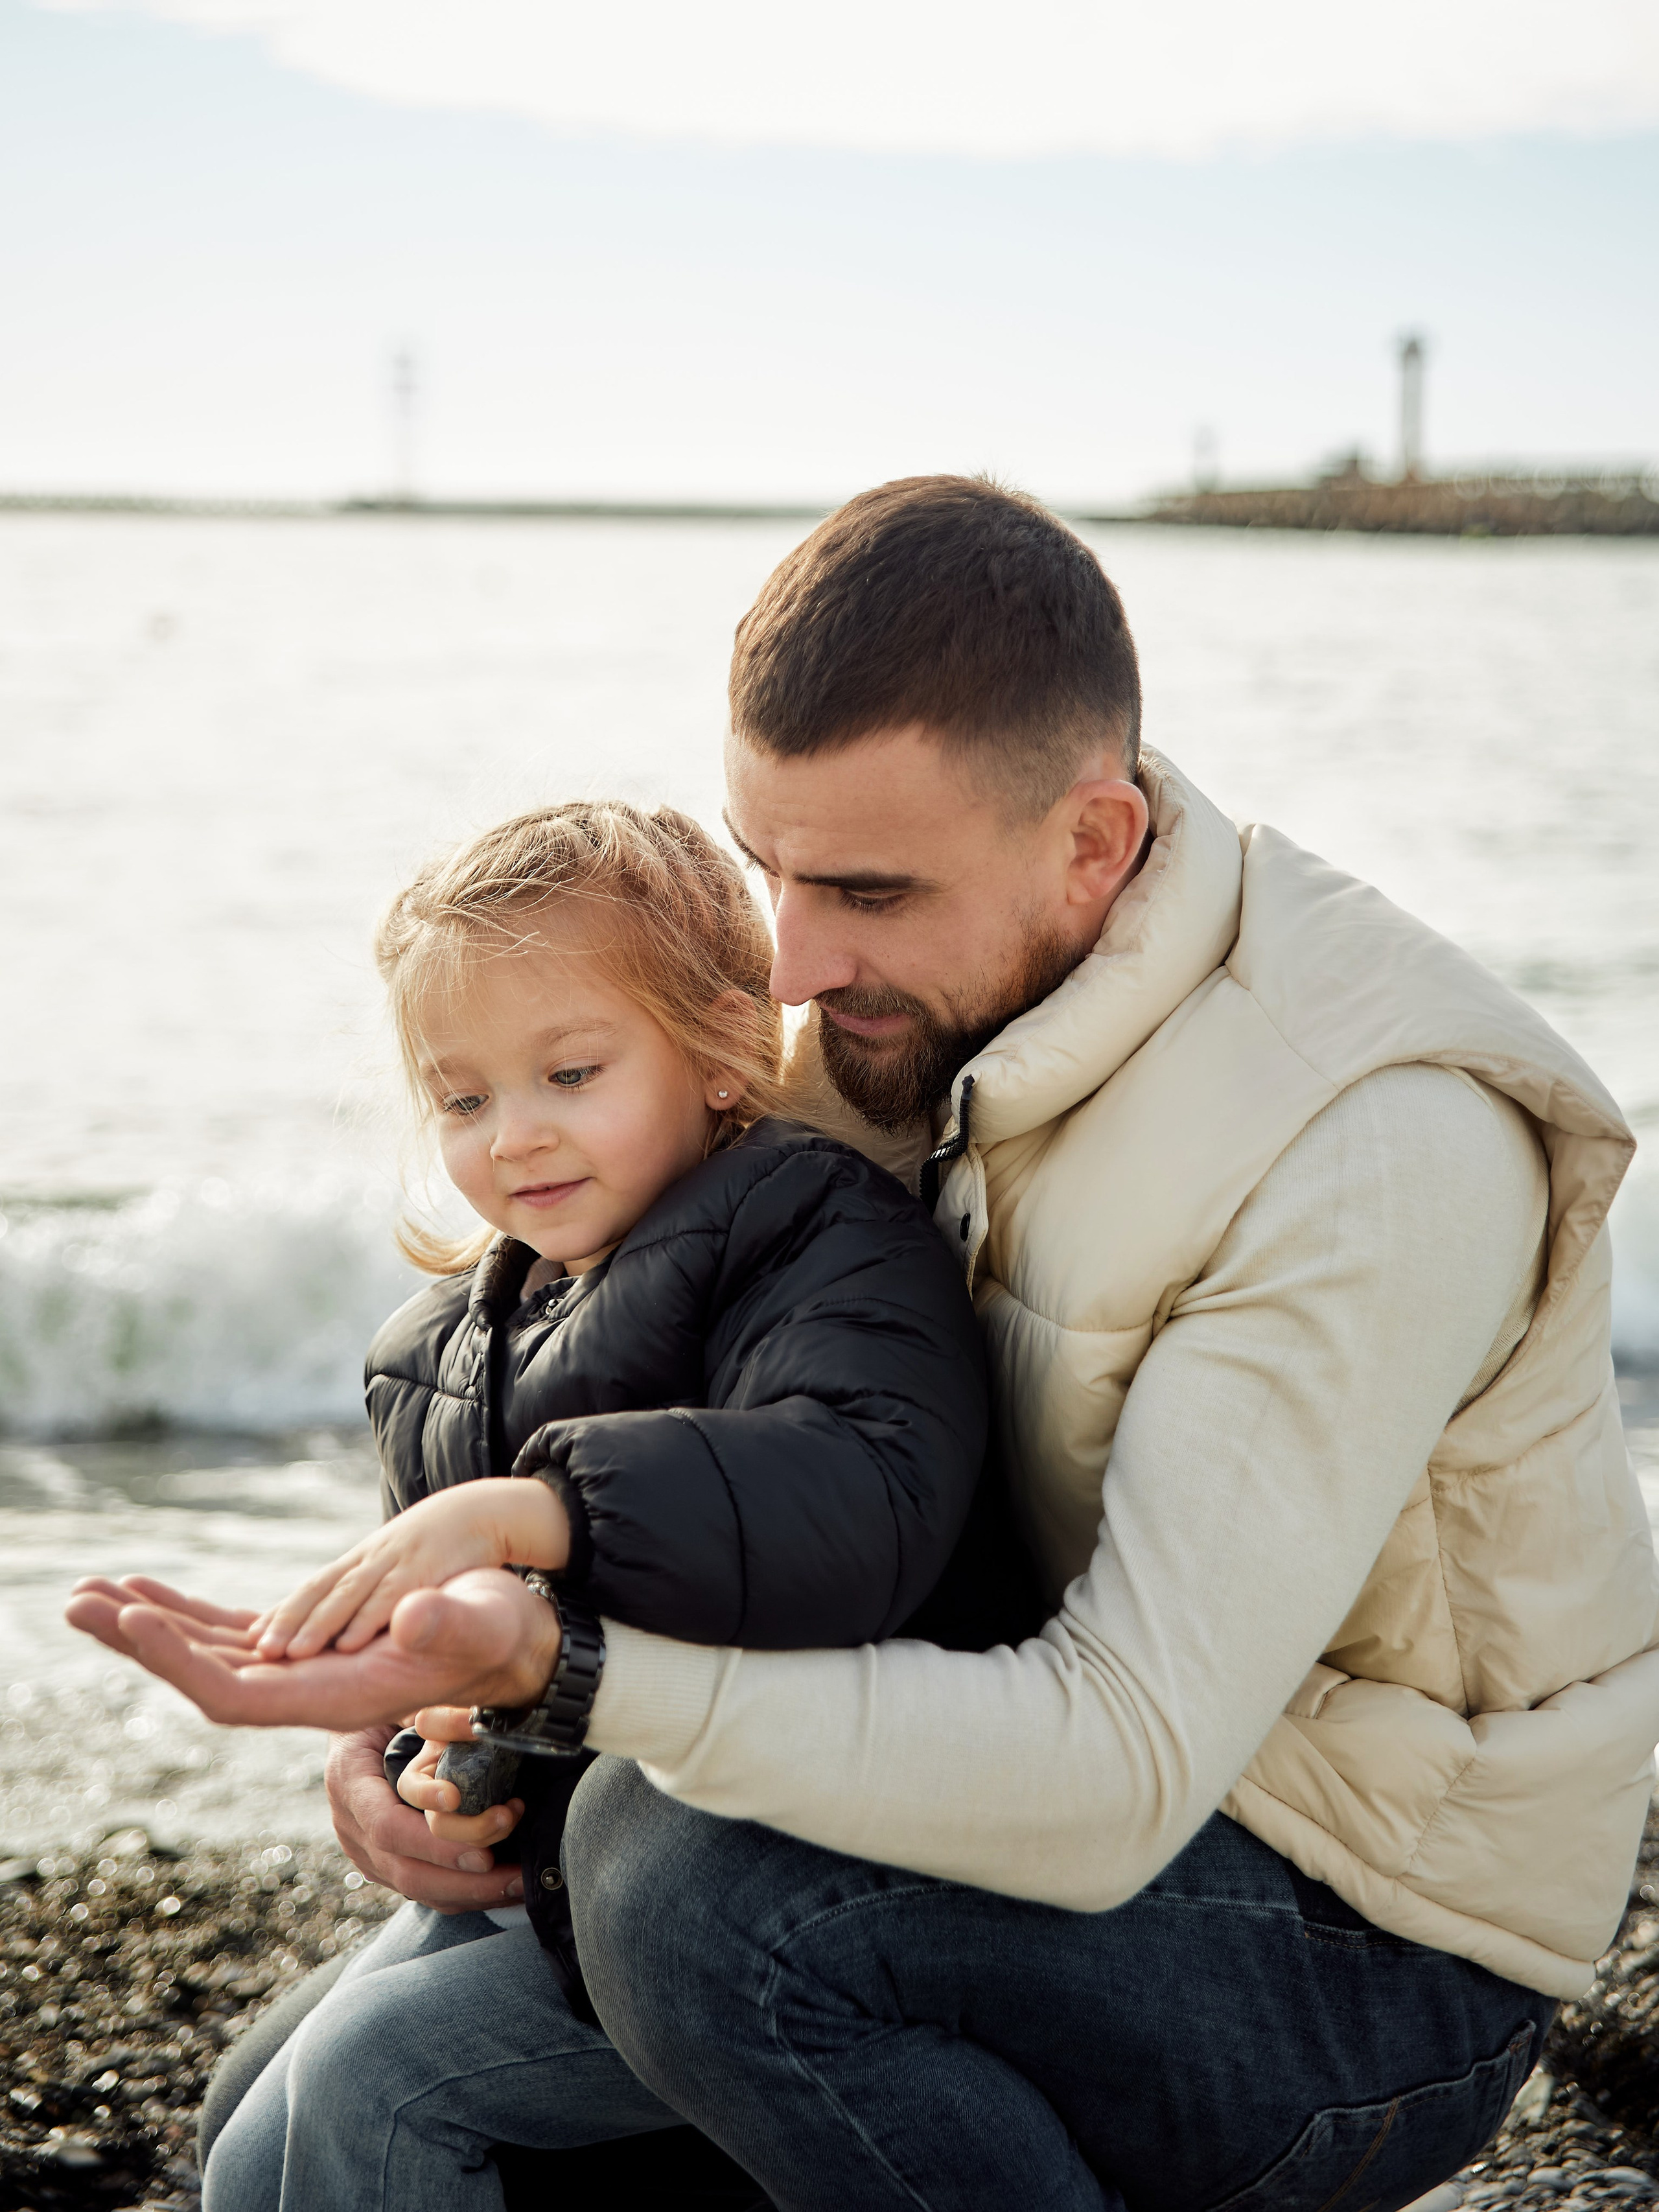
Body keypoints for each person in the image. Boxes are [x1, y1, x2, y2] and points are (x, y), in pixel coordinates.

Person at [75, 477, 1659, 2212]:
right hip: (977, 1774)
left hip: (1353, 1936)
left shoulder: (1369, 1140)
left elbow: (1120, 1766)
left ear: (1096, 841)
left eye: (865, 890)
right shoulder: (898, 1005)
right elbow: (640, 1405)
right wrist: (408, 1737)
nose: (793, 961)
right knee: (275, 2102)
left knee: (679, 1890)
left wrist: (570, 1665)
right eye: (767, 866)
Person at [76, 798, 987, 2212]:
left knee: (375, 2097)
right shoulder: (439, 1358)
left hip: (766, 1900)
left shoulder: (804, 1232)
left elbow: (857, 1501)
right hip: (548, 1882)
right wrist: (378, 1771)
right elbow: (460, 1665)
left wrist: (536, 1510)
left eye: (570, 1071)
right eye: (462, 1098)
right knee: (250, 2109)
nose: (514, 1138)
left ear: (725, 1039)